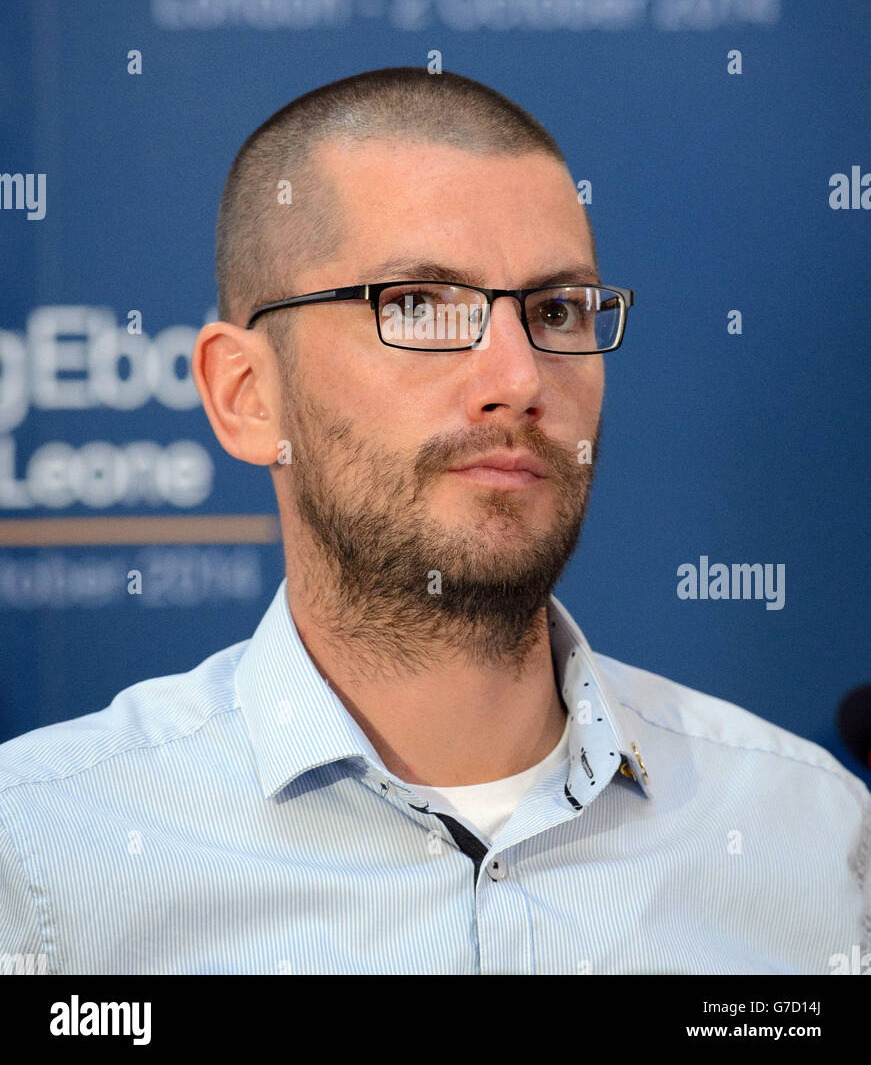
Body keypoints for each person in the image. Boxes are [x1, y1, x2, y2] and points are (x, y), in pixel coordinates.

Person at [1, 67, 867, 975]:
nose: (518, 380)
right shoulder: (43, 860)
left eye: (556, 311)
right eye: (416, 304)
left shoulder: (809, 835)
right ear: (247, 395)